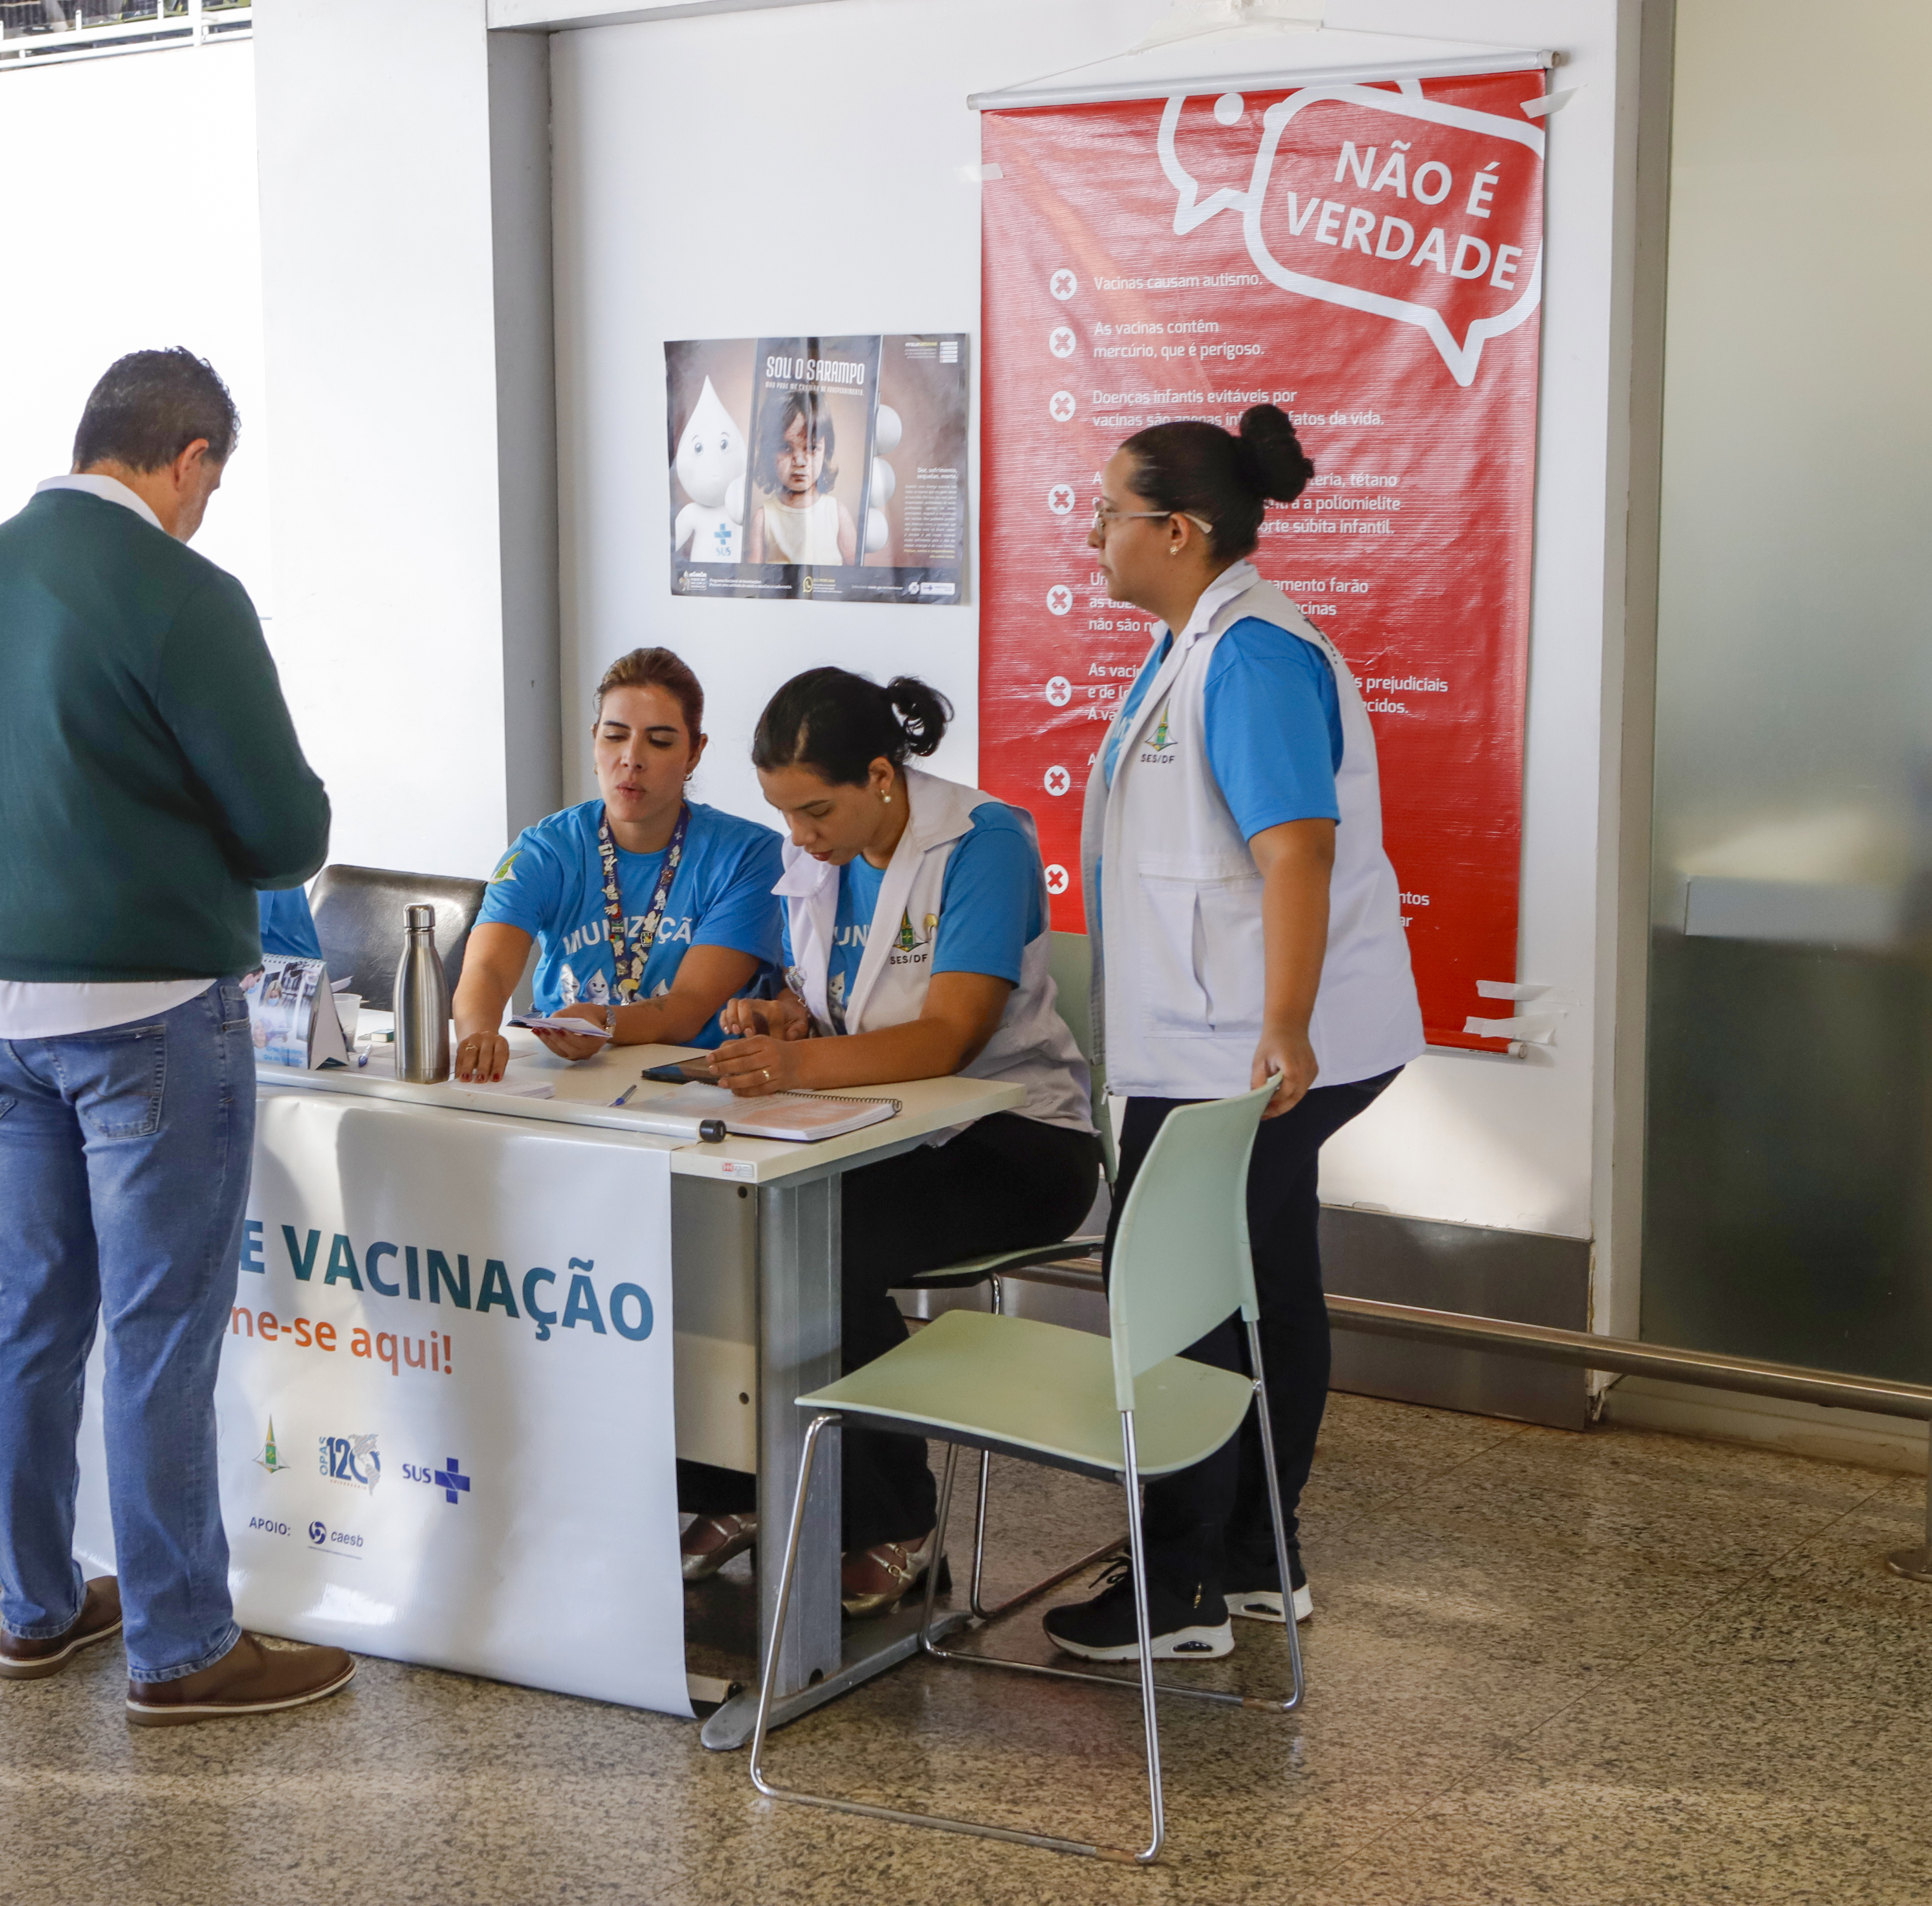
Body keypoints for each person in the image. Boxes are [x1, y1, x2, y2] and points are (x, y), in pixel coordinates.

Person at [0, 347, 354, 1721]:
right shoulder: (183, 594)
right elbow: (287, 833)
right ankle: (179, 1642)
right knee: (160, 1327)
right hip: (151, 1011)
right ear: (190, 460)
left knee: (31, 1312)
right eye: (212, 481)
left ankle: (38, 1608)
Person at [1041, 405, 1423, 1665]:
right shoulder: (1206, 641)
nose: (1092, 529)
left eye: (1111, 510)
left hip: (1233, 1050)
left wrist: (1283, 1025)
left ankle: (1181, 1588)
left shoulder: (1250, 654)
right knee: (1261, 1285)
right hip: (1226, 1038)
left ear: (1181, 529)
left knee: (1177, 1298)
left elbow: (1294, 849)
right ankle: (1257, 1558)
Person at [689, 669, 1104, 1613]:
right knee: (713, 1222)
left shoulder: (980, 841)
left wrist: (797, 1071)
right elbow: (845, 1001)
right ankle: (742, 1488)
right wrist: (790, 1019)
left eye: (815, 810)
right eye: (785, 813)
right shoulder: (826, 855)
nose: (801, 836)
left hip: (1016, 1140)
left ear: (882, 774)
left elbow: (947, 1035)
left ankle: (898, 1522)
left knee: (818, 1243)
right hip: (881, 1132)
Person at [451, 648, 783, 1084]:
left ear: (694, 753)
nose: (631, 759)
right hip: (565, 1076)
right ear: (594, 741)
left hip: (694, 1084)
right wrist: (478, 1034)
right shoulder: (546, 849)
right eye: (614, 736)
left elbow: (689, 1007)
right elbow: (487, 968)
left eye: (660, 741)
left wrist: (606, 1023)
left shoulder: (749, 856)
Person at [745, 389, 857, 567]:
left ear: (826, 451)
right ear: (769, 453)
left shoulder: (837, 513)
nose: (799, 461)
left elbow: (855, 573)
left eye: (811, 448)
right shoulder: (763, 517)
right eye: (786, 448)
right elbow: (752, 576)